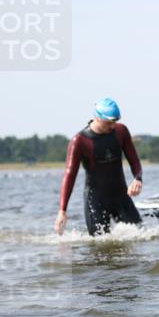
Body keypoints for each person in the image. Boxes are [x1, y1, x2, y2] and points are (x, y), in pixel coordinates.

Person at [54, 98, 143, 236]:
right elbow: (69, 175)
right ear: (97, 117)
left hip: (121, 196)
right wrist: (62, 211)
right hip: (96, 201)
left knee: (140, 234)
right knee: (99, 245)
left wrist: (137, 178)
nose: (112, 126)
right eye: (108, 123)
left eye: (115, 121)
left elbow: (134, 160)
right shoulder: (79, 141)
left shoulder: (121, 131)